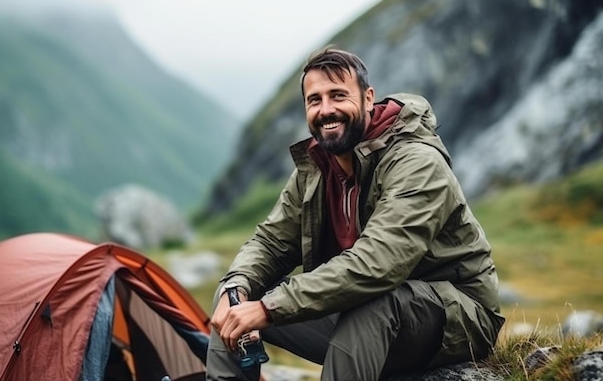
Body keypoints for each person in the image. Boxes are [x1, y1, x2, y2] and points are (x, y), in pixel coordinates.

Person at [206, 48, 504, 381]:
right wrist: (238, 287)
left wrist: (269, 309)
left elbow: (377, 264)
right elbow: (271, 242)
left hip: (457, 318)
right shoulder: (317, 168)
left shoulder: (416, 161)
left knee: (371, 303)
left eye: (338, 96)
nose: (326, 110)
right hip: (366, 316)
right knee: (234, 300)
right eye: (314, 100)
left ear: (367, 98)